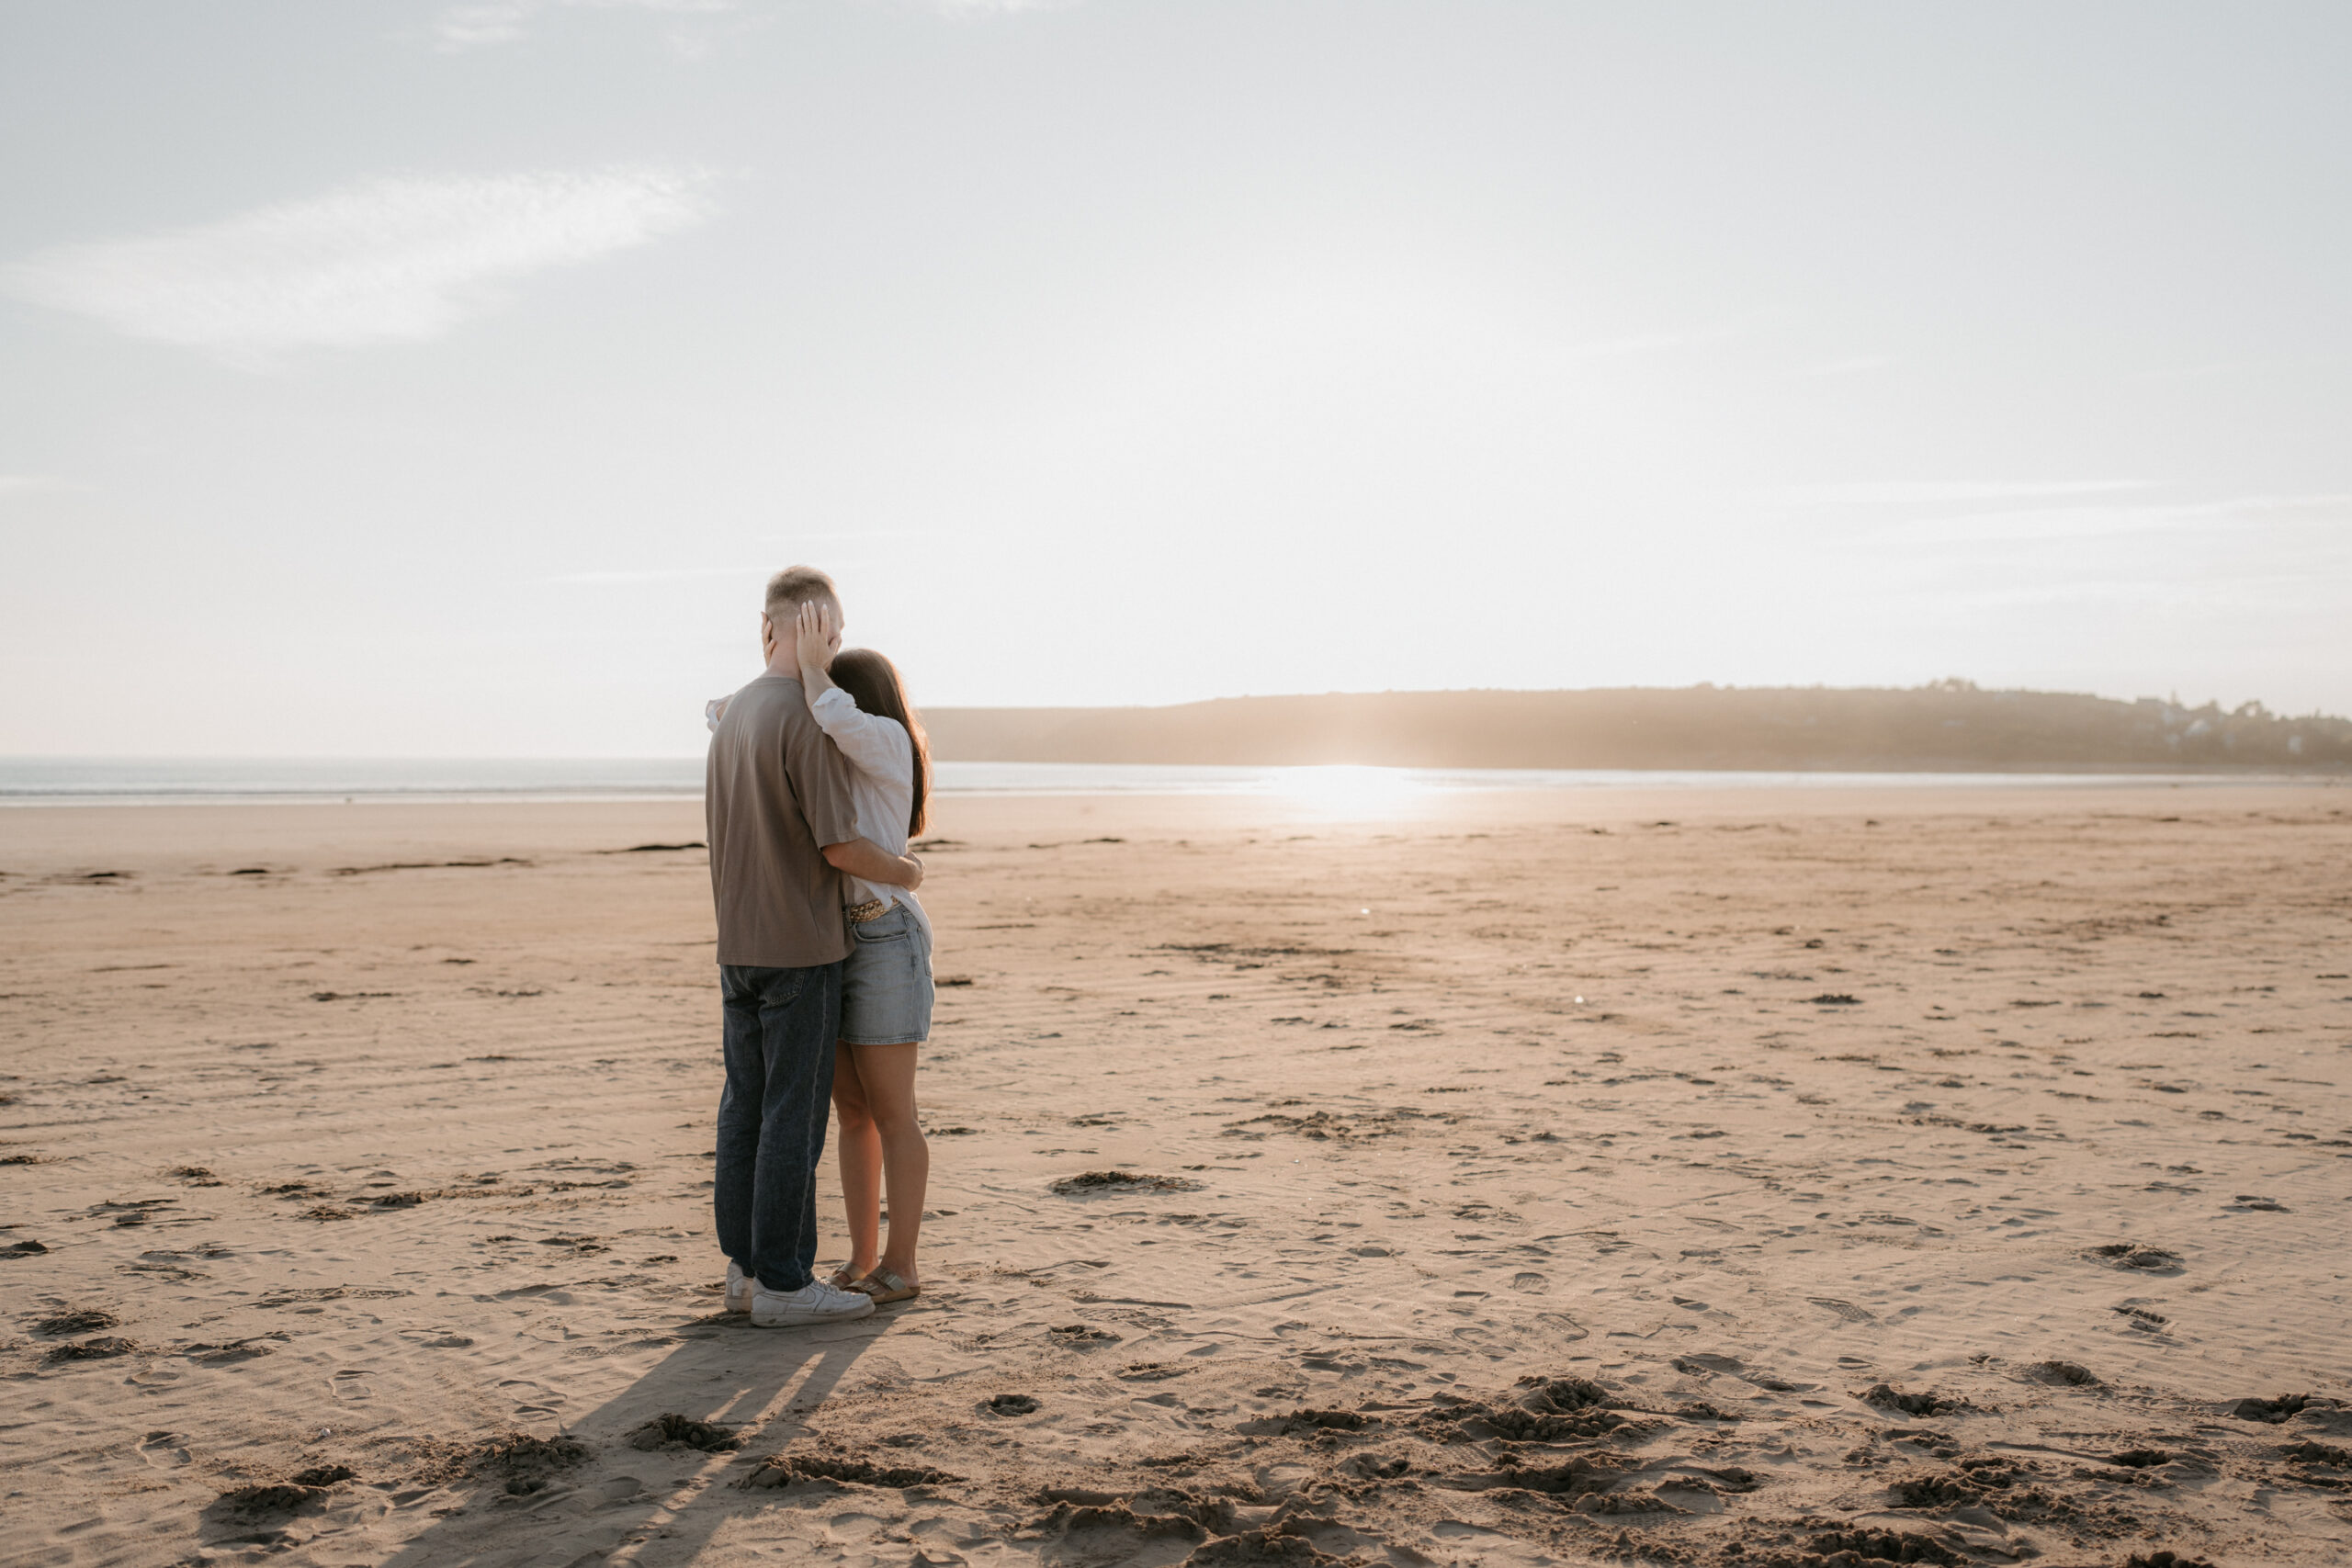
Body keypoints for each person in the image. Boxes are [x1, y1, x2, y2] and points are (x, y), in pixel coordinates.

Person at [704, 566, 923, 1328]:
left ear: (766, 628)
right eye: (829, 631)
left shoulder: (734, 715)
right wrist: (906, 869)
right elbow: (838, 845)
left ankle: (745, 1271)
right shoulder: (802, 716)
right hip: (799, 944)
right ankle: (785, 1284)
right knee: (791, 1116)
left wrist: (791, 656)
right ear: (816, 631)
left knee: (747, 1108)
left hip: (737, 943)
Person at [788, 599, 934, 1306]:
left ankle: (903, 1263)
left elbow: (834, 713)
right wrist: (796, 671)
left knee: (893, 1110)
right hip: (836, 940)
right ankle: (862, 1258)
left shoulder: (880, 735)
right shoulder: (840, 743)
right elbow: (722, 713)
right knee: (851, 1112)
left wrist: (816, 669)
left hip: (884, 935)